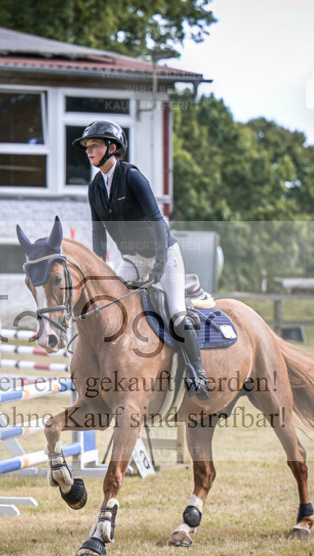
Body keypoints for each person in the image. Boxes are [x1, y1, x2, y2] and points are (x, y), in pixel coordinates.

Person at [74, 120, 210, 400]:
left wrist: (160, 263)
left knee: (175, 313)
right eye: (87, 146)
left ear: (112, 147)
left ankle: (198, 373)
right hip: (131, 259)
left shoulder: (131, 177)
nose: (89, 151)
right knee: (109, 305)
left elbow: (157, 221)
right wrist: (98, 271)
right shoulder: (94, 188)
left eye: (95, 145)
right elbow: (98, 234)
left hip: (164, 254)